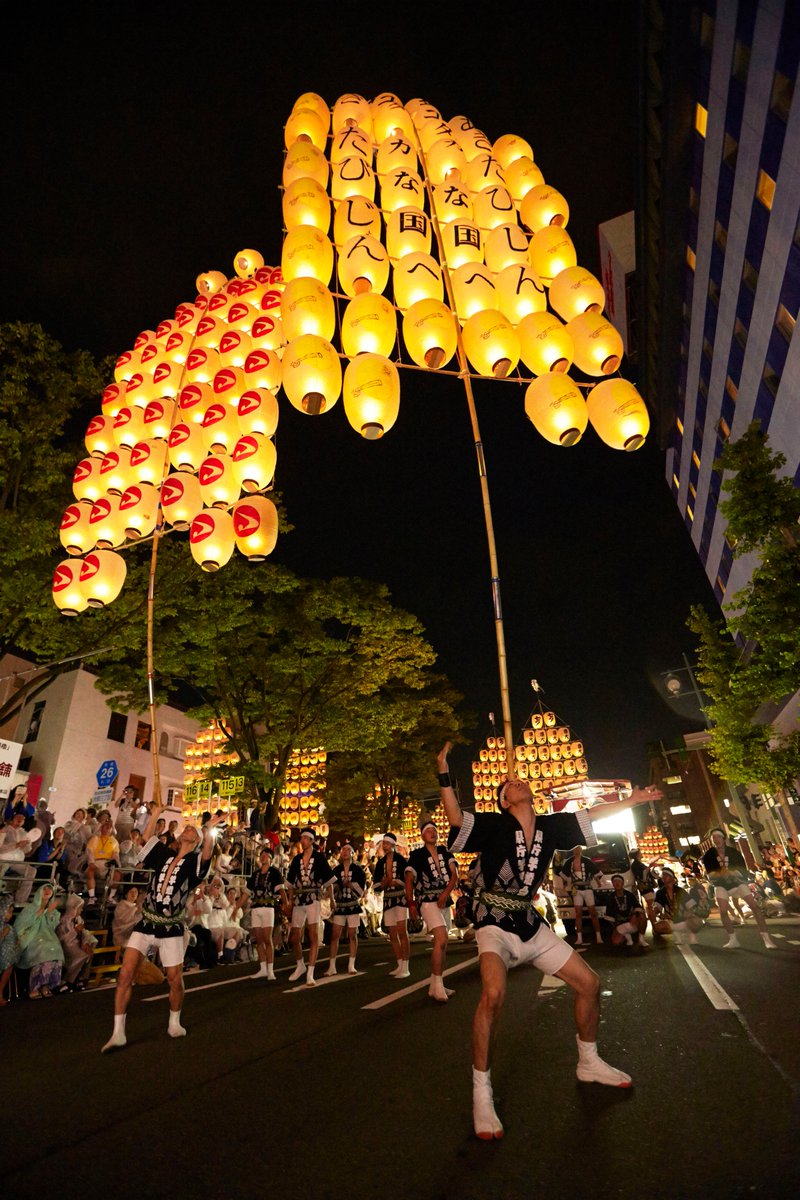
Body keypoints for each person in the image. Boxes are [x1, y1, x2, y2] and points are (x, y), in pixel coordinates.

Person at [437, 742, 632, 1141]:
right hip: (493, 920)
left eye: (519, 778)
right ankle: (481, 1091)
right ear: (504, 800)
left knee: (590, 983)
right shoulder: (493, 825)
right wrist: (443, 771)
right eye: (509, 783)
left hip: (529, 921)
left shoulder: (550, 826)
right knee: (492, 995)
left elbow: (591, 814)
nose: (517, 781)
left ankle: (589, 1061)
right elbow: (455, 817)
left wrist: (638, 798)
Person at [101, 807, 223, 1052]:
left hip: (171, 927)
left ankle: (174, 1022)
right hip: (146, 921)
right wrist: (155, 812)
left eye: (191, 829)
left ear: (197, 840)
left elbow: (208, 853)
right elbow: (147, 840)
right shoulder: (165, 855)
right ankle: (118, 1033)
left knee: (174, 979)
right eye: (186, 828)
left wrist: (210, 829)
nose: (186, 829)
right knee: (125, 974)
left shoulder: (194, 863)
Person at [405, 819, 459, 1001]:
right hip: (427, 901)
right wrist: (411, 904)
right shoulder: (417, 855)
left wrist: (445, 894)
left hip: (443, 900)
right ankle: (436, 985)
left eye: (435, 830)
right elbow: (409, 878)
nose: (433, 833)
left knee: (443, 945)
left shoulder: (444, 851)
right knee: (441, 939)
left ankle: (437, 985)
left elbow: (454, 875)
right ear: (422, 835)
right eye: (429, 830)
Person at [702, 828, 776, 950]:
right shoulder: (709, 855)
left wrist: (733, 873)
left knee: (755, 907)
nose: (716, 840)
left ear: (723, 838)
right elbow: (709, 873)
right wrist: (718, 874)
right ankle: (733, 939)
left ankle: (767, 938)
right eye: (713, 838)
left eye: (718, 837)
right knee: (723, 912)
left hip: (737, 883)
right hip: (721, 885)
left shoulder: (733, 852)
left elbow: (742, 868)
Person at [285, 826, 335, 987]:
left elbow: (329, 879)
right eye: (302, 838)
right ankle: (300, 965)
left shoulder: (319, 858)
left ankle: (311, 972)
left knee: (313, 933)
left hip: (314, 897)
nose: (302, 841)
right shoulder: (296, 859)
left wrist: (332, 898)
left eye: (305, 838)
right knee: (294, 935)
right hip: (299, 899)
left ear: (312, 840)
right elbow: (291, 883)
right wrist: (289, 901)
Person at [15, 883, 64, 998]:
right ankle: (35, 987)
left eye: (50, 889)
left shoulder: (53, 910)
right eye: (44, 889)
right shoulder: (30, 908)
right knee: (43, 949)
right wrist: (39, 913)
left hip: (47, 936)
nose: (47, 891)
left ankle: (46, 985)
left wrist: (50, 913)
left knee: (55, 949)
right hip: (32, 938)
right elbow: (19, 926)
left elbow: (52, 926)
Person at [372, 832, 411, 979]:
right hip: (388, 899)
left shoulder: (401, 861)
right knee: (392, 933)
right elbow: (376, 886)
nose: (385, 846)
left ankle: (406, 966)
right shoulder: (380, 863)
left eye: (387, 843)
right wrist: (383, 884)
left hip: (400, 898)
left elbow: (407, 880)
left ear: (393, 845)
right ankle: (399, 964)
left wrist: (396, 882)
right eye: (383, 843)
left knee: (402, 931)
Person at [326, 843, 366, 977]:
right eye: (343, 849)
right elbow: (331, 885)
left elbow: (362, 889)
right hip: (341, 904)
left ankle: (351, 964)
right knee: (335, 935)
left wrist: (351, 885)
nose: (345, 852)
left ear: (353, 853)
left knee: (352, 934)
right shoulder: (336, 870)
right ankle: (332, 966)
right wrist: (332, 898)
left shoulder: (358, 869)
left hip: (353, 904)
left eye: (348, 849)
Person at [248, 848, 285, 980]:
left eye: (265, 855)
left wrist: (286, 904)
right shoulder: (255, 874)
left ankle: (270, 970)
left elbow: (281, 890)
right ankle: (262, 968)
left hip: (268, 907)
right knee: (258, 940)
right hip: (256, 907)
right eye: (261, 855)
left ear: (270, 858)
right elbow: (247, 892)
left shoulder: (275, 872)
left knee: (267, 939)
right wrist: (236, 907)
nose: (262, 857)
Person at [558, 844, 605, 946]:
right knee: (578, 914)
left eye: (578, 848)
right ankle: (579, 938)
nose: (576, 850)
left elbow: (597, 872)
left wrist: (597, 881)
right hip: (577, 890)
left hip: (588, 889)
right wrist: (566, 883)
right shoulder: (569, 861)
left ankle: (598, 936)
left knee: (593, 913)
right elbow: (562, 874)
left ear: (581, 849)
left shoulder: (587, 860)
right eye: (574, 848)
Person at [56, 894, 97, 990]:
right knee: (80, 956)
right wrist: (74, 931)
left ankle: (81, 978)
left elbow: (84, 933)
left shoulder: (79, 919)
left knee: (89, 953)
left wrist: (85, 943)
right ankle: (68, 980)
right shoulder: (64, 920)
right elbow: (61, 938)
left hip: (77, 943)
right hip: (66, 945)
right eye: (80, 908)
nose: (81, 910)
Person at [653, 868, 700, 944]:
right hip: (671, 920)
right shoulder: (660, 892)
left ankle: (691, 935)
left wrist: (689, 913)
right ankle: (677, 935)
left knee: (696, 920)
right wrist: (655, 911)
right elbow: (658, 906)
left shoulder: (680, 890)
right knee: (657, 927)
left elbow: (691, 906)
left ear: (672, 878)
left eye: (666, 875)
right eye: (663, 875)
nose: (663, 877)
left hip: (684, 920)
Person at [0, 813, 39, 905]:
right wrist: (16, 845)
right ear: (12, 819)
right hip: (3, 858)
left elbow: (26, 851)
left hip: (17, 861)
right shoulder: (5, 829)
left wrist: (27, 846)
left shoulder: (24, 833)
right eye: (18, 818)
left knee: (31, 871)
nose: (20, 820)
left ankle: (20, 900)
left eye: (22, 819)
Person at [85, 811, 121, 902]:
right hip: (96, 862)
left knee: (117, 874)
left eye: (110, 827)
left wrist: (115, 864)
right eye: (106, 826)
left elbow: (115, 854)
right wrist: (91, 863)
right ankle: (92, 897)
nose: (108, 828)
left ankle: (111, 897)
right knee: (90, 871)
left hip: (108, 864)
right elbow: (89, 852)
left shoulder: (114, 841)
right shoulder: (95, 838)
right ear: (101, 828)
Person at [603, 875, 647, 948]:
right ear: (613, 884)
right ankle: (627, 937)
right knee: (616, 942)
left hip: (632, 922)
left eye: (619, 881)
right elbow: (609, 916)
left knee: (642, 916)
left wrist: (634, 915)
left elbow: (638, 907)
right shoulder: (610, 897)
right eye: (615, 881)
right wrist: (615, 930)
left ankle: (641, 939)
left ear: (623, 883)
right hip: (620, 924)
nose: (617, 883)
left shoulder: (630, 895)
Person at [629, 849, 659, 930]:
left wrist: (651, 868)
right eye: (640, 853)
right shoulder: (635, 865)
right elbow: (643, 877)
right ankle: (655, 926)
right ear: (637, 855)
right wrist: (650, 867)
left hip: (647, 887)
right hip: (645, 887)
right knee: (651, 907)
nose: (641, 853)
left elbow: (646, 874)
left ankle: (654, 925)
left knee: (651, 907)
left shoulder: (637, 864)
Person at [0, 890, 20, 1005]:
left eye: (11, 912)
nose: (9, 915)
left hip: (8, 956)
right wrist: (3, 934)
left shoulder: (9, 927)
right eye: (8, 911)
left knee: (10, 961)